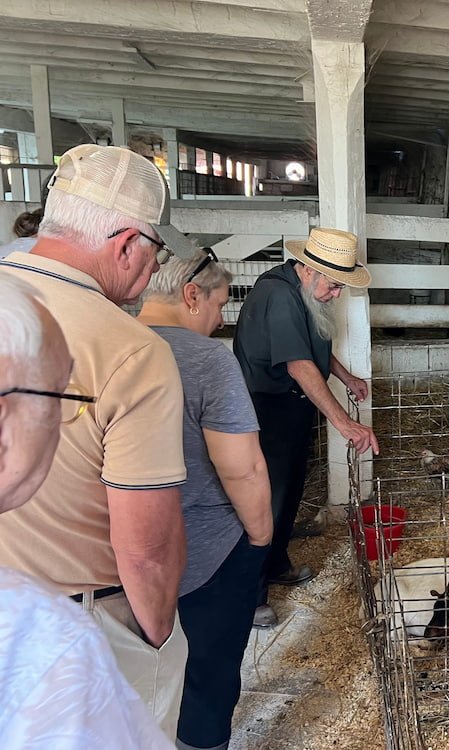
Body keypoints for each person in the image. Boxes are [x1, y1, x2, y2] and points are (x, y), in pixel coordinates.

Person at [0, 143, 201, 739]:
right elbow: (146, 549)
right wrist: (158, 636)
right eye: (155, 250)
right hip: (84, 624)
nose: (151, 267)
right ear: (125, 245)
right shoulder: (132, 350)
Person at [0, 274, 173, 749]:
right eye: (61, 399)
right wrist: (158, 639)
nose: (63, 424)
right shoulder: (48, 640)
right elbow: (146, 549)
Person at [138, 251, 273, 750]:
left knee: (146, 664)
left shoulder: (112, 343)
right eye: (219, 305)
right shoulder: (207, 358)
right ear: (191, 296)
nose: (221, 319)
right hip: (209, 549)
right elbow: (242, 466)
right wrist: (260, 535)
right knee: (209, 673)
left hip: (129, 552)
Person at [234, 227, 379, 627]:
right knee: (266, 500)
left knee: (291, 489)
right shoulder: (278, 295)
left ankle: (277, 562)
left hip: (292, 406)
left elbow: (313, 346)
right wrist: (345, 423)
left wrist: (346, 377)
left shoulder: (301, 291)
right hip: (268, 409)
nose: (336, 295)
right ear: (309, 270)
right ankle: (251, 594)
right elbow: (299, 365)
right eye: (333, 287)